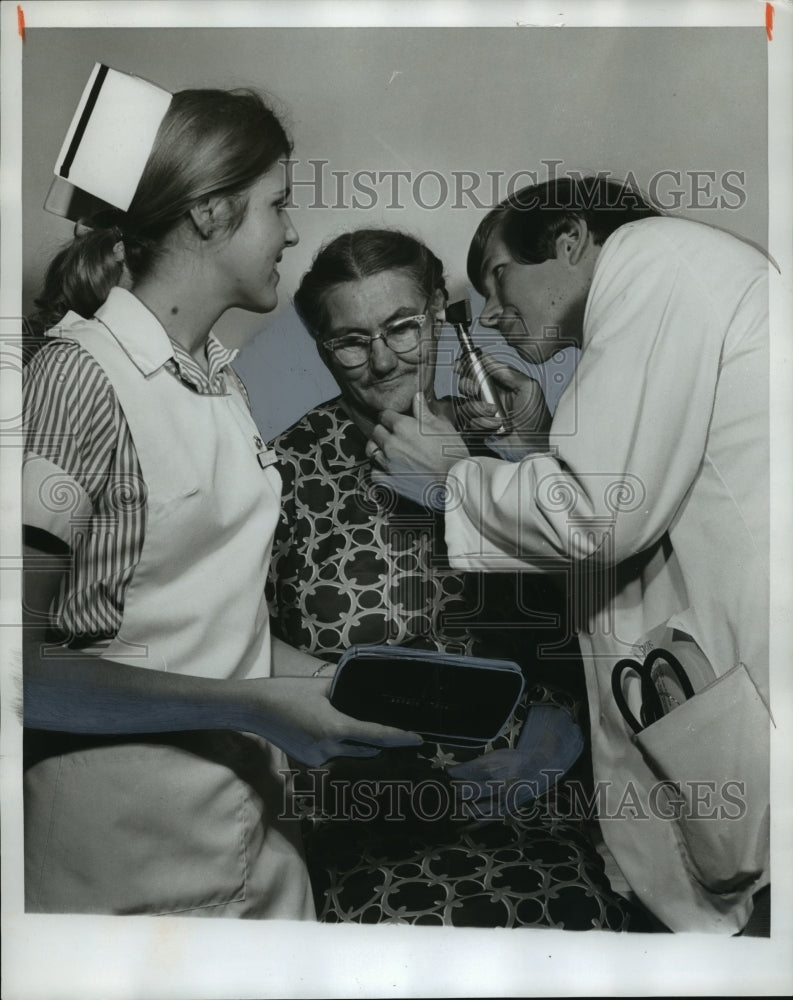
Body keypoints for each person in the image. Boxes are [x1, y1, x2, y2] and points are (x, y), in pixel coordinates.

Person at [22, 70, 419, 918]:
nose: (291, 229)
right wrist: (258, 707)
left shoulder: (213, 384)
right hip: (118, 861)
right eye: (277, 203)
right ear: (210, 212)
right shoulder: (77, 379)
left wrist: (366, 687)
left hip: (255, 843)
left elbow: (214, 631)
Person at [367, 178, 771, 933]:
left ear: (569, 239)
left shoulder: (655, 259)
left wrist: (454, 481)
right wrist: (529, 444)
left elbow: (598, 519)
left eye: (495, 276)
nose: (488, 312)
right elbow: (638, 514)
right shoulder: (684, 282)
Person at [266, 227, 654, 930]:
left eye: (402, 328)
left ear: (442, 319)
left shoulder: (506, 450)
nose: (382, 359)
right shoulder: (279, 474)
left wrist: (558, 730)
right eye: (350, 341)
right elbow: (237, 651)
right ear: (320, 346)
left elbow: (593, 619)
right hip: (370, 830)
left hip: (531, 815)